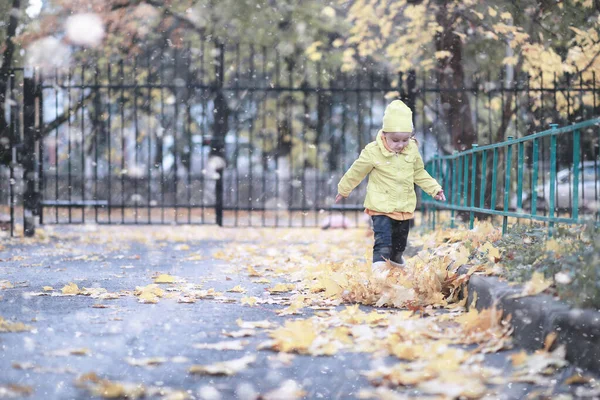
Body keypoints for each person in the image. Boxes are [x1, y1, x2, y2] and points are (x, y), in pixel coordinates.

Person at [335, 100, 446, 277]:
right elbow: (356, 171)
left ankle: (395, 269)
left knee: (399, 246)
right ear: (384, 134)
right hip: (380, 206)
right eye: (395, 140)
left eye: (405, 139)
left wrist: (434, 189)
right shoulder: (373, 151)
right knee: (383, 242)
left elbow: (419, 173)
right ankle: (379, 278)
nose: (400, 144)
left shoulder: (412, 151)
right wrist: (344, 189)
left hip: (404, 207)